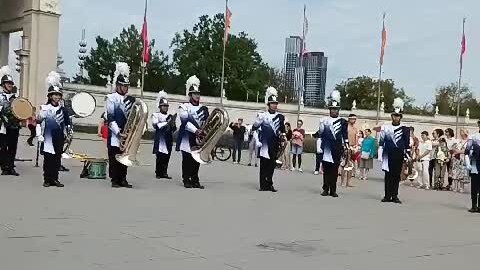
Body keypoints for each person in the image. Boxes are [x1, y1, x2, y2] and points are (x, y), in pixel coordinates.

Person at [36, 71, 71, 187]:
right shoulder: (45, 108)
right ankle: (47, 179)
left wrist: (69, 133)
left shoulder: (63, 110)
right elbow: (38, 122)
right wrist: (39, 135)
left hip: (59, 138)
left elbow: (67, 123)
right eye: (54, 94)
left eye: (58, 94)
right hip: (48, 137)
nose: (56, 97)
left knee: (57, 159)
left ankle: (55, 178)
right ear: (50, 96)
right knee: (48, 160)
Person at [176, 75, 209, 189]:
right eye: (195, 94)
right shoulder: (184, 106)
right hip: (187, 137)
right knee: (187, 160)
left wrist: (205, 131)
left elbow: (207, 123)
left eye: (198, 94)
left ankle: (195, 179)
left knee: (196, 160)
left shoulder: (203, 108)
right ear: (190, 95)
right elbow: (185, 122)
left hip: (198, 139)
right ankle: (186, 179)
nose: (197, 96)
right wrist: (197, 130)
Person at [106, 62, 135, 188]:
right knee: (114, 156)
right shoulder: (111, 98)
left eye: (126, 86)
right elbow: (110, 117)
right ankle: (114, 179)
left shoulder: (131, 100)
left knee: (124, 157)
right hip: (115, 133)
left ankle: (123, 178)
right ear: (117, 85)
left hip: (127, 133)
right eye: (123, 86)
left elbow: (134, 117)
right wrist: (118, 132)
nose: (125, 88)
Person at [253, 86, 285, 192]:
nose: (274, 105)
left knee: (271, 166)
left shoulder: (280, 117)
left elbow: (282, 130)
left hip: (274, 145)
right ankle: (263, 185)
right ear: (268, 104)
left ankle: (269, 184)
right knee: (264, 165)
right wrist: (257, 121)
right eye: (272, 103)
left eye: (276, 103)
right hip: (264, 144)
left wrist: (282, 137)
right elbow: (254, 128)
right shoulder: (263, 115)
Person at [378, 98, 410, 204]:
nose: (396, 118)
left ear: (400, 117)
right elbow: (381, 141)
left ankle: (395, 196)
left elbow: (407, 143)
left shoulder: (405, 129)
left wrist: (408, 155)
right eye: (395, 116)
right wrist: (379, 154)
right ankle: (387, 195)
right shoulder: (385, 127)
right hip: (387, 154)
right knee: (388, 175)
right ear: (392, 116)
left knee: (396, 175)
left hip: (399, 154)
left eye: (398, 116)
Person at [318, 91, 348, 197]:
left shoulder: (343, 122)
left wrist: (346, 147)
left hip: (337, 148)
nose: (334, 111)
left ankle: (333, 190)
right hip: (326, 148)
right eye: (332, 109)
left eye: (336, 109)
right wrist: (319, 146)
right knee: (326, 170)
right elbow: (320, 134)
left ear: (338, 110)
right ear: (329, 110)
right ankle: (325, 189)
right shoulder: (324, 120)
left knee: (335, 170)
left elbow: (345, 135)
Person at [0, 66, 21, 176]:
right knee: (3, 148)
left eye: (11, 83)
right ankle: (4, 167)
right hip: (2, 126)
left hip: (14, 126)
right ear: (3, 84)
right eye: (7, 83)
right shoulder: (0, 96)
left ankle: (11, 167)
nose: (9, 85)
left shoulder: (16, 98)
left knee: (12, 147)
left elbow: (21, 110)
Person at [152, 91, 176, 179]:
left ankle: (164, 172)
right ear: (160, 106)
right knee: (160, 156)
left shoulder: (169, 116)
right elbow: (156, 125)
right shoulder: (156, 115)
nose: (165, 108)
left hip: (168, 138)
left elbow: (173, 129)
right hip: (160, 138)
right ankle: (158, 172)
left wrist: (172, 124)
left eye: (166, 106)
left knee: (167, 156)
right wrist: (167, 122)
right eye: (163, 106)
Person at [464, 122, 480, 213]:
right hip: (474, 162)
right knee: (474, 184)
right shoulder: (473, 136)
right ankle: (474, 206)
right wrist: (467, 162)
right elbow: (467, 151)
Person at [340, 114, 358, 187]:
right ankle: (342, 182)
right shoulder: (345, 127)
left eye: (355, 119)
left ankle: (348, 182)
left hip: (352, 147)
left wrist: (355, 147)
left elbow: (356, 139)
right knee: (345, 164)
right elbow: (342, 137)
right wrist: (344, 146)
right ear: (349, 119)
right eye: (352, 119)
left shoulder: (355, 129)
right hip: (346, 147)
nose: (354, 120)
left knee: (350, 166)